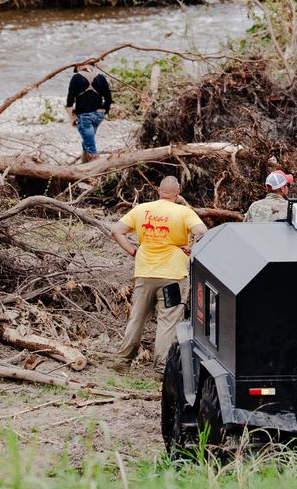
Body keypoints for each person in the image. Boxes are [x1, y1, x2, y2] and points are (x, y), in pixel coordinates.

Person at [110, 175, 207, 368]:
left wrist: (133, 251)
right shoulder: (184, 212)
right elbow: (202, 231)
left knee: (137, 317)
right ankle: (162, 366)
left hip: (145, 272)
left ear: (158, 191)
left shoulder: (141, 209)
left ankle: (122, 361)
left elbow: (116, 230)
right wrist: (191, 247)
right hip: (173, 275)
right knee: (167, 321)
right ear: (178, 192)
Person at [65, 62, 113, 160]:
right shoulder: (100, 77)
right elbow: (108, 98)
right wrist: (104, 110)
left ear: (78, 66)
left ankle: (95, 167)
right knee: (87, 140)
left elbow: (70, 100)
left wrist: (71, 118)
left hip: (85, 116)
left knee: (91, 147)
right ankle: (84, 164)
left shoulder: (76, 77)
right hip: (98, 116)